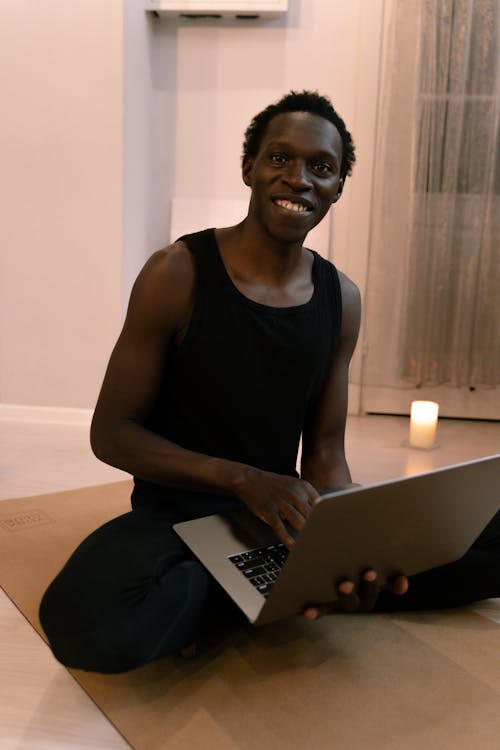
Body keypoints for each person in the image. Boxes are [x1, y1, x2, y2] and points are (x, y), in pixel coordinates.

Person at [39, 91, 500, 674]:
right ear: (249, 169)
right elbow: (113, 434)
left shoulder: (342, 299)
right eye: (280, 158)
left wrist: (349, 548)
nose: (299, 178)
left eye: (321, 168)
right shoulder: (177, 272)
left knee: (489, 530)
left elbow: (326, 451)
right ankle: (268, 592)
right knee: (87, 625)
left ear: (336, 188)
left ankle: (280, 588)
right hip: (179, 519)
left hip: (286, 525)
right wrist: (244, 479)